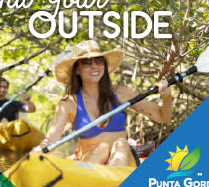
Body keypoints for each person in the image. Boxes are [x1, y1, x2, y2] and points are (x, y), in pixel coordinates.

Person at [32, 40, 172, 167]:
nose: (94, 66)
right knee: (102, 148)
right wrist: (38, 151)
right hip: (90, 159)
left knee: (120, 144)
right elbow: (52, 139)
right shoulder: (68, 103)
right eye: (87, 62)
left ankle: (114, 186)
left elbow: (162, 117)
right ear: (77, 70)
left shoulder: (121, 93)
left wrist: (166, 96)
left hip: (122, 158)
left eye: (99, 61)